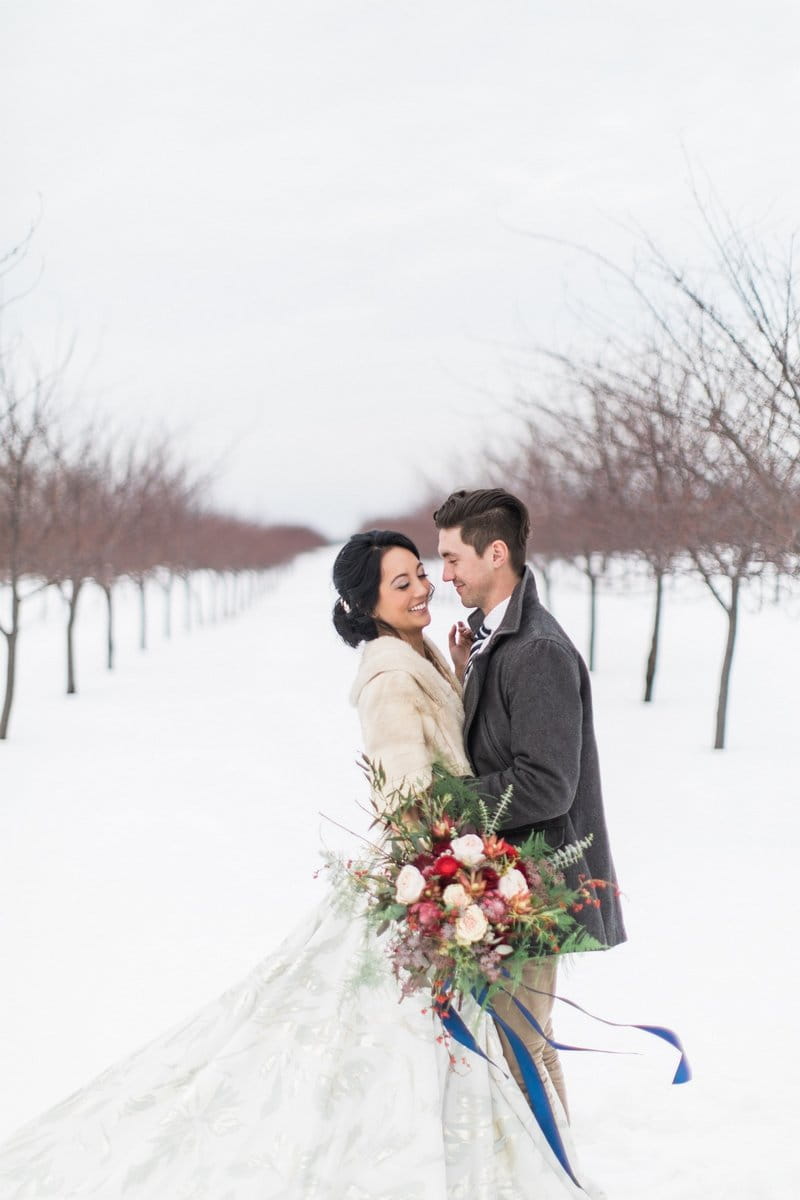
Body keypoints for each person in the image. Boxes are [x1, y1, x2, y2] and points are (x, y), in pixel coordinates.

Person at [0, 529, 599, 1200]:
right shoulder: (386, 674)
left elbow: (442, 743)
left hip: (458, 869)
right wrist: (461, 873)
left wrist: (458, 672)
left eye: (420, 574)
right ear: (367, 604)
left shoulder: (418, 649)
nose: (422, 588)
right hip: (441, 877)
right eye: (399, 584)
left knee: (479, 1045)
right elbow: (411, 801)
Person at [434, 489, 627, 1119]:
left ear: (496, 552)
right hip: (516, 880)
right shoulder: (501, 640)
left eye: (453, 558)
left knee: (524, 1049)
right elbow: (503, 742)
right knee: (526, 1042)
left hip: (539, 881)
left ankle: (551, 1175)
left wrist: (447, 803)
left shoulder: (536, 649)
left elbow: (546, 783)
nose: (445, 575)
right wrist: (468, 676)